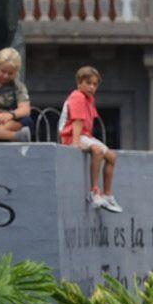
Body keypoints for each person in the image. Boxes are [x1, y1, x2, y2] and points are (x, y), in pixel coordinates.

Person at [59, 66, 123, 214]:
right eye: (88, 83)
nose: (92, 87)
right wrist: (75, 143)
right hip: (72, 136)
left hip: (85, 135)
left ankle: (107, 195)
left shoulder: (89, 99)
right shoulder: (78, 97)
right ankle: (94, 191)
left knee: (112, 157)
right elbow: (77, 121)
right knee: (97, 150)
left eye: (95, 84)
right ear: (79, 83)